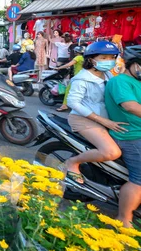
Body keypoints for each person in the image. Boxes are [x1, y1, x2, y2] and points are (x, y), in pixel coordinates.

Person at [64, 41, 126, 185]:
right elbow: (73, 102)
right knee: (112, 152)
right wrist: (103, 121)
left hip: (106, 118)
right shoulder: (82, 79)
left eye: (111, 57)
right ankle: (72, 162)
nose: (108, 61)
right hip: (84, 120)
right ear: (91, 59)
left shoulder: (108, 74)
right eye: (103, 58)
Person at [105, 45, 141, 227]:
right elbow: (131, 106)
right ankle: (123, 218)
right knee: (139, 178)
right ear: (133, 65)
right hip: (131, 136)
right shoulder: (120, 82)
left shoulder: (137, 82)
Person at [55, 46, 85, 112]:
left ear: (76, 52)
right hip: (84, 77)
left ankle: (64, 106)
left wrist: (59, 68)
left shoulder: (78, 57)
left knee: (68, 90)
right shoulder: (85, 58)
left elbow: (69, 65)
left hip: (77, 77)